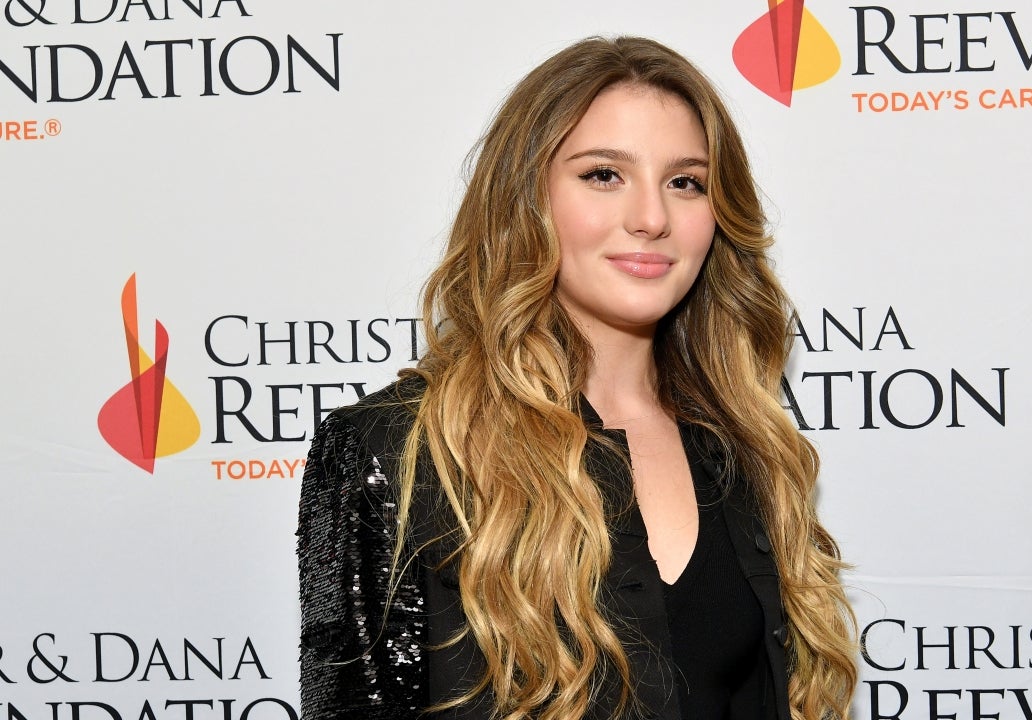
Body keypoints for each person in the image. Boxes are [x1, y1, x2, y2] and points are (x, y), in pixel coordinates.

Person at [296, 36, 857, 720]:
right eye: (603, 175)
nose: (651, 218)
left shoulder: (743, 444)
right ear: (524, 198)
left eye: (685, 182)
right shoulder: (394, 450)